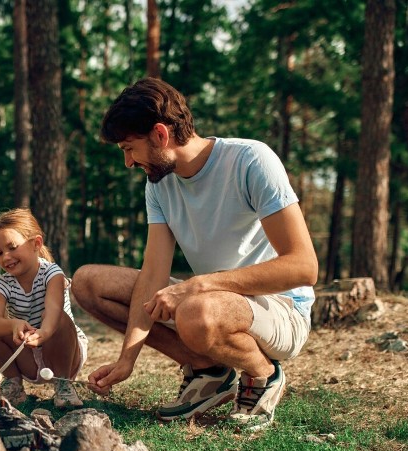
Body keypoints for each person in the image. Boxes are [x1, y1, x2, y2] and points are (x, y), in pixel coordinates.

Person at [71, 77, 317, 431]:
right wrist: (128, 359)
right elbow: (152, 275)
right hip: (207, 307)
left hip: (281, 309)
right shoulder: (159, 185)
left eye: (129, 148)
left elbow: (304, 267)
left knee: (196, 309)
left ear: (160, 134)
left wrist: (199, 286)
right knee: (87, 283)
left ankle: (263, 374)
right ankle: (209, 372)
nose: (128, 162)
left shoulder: (250, 160)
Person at [0, 208, 89, 409]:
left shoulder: (52, 274)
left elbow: (53, 310)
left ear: (36, 244)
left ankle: (64, 386)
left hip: (65, 354)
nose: (6, 257)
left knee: (61, 319)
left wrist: (44, 333)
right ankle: (13, 384)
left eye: (12, 247)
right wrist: (13, 324)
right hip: (29, 356)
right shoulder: (3, 283)